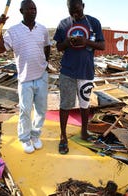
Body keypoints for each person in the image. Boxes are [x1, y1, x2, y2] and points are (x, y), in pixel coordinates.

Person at [0, 0, 51, 154]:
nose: (33, 11)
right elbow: (1, 49)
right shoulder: (13, 31)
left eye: (34, 8)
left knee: (41, 110)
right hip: (25, 78)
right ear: (21, 11)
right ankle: (25, 138)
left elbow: (47, 46)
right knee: (25, 111)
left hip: (41, 76)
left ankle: (35, 135)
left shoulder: (42, 29)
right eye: (29, 9)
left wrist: (45, 63)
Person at [53, 0, 105, 154]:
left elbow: (102, 46)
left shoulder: (93, 22)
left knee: (84, 105)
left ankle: (84, 132)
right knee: (65, 105)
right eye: (71, 11)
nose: (75, 13)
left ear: (83, 6)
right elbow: (58, 47)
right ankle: (63, 137)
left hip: (86, 71)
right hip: (67, 72)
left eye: (77, 9)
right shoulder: (63, 24)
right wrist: (67, 42)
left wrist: (86, 41)